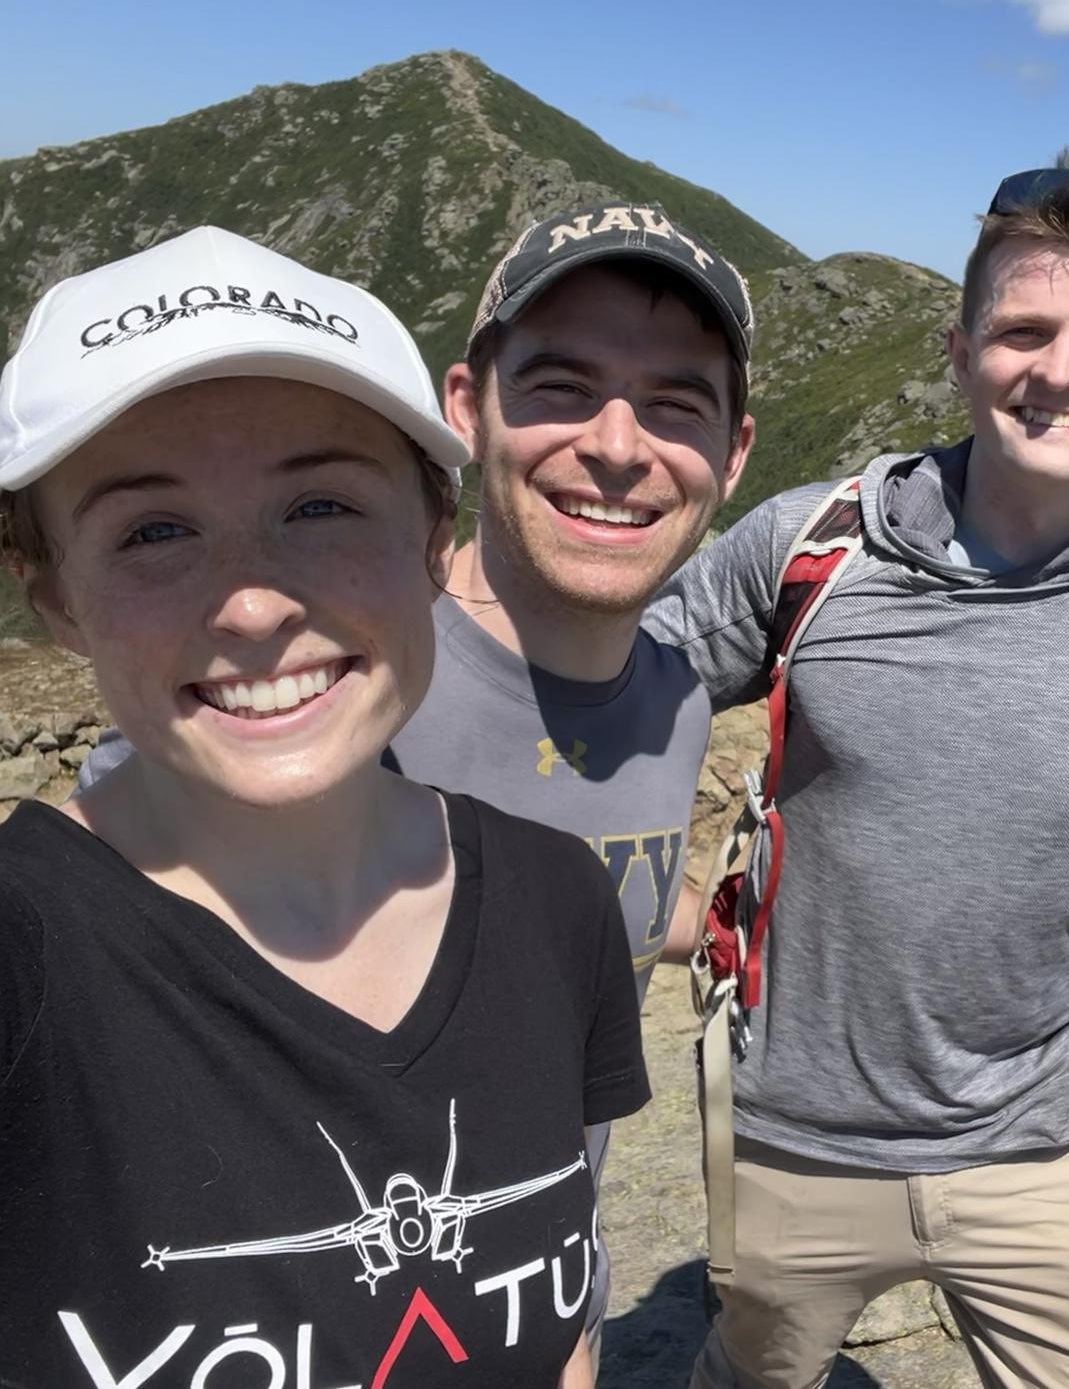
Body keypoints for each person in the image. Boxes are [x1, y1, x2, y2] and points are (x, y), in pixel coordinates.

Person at [76, 201, 758, 1353]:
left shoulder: (678, 701)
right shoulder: (317, 693)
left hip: (533, 1304)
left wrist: (727, 924)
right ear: (463, 410)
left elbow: (605, 892)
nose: (617, 444)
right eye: (558, 385)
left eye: (676, 403)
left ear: (733, 456)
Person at [647, 166, 1069, 1389]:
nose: (1062, 370)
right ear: (959, 349)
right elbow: (607, 699)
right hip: (787, 1142)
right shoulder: (811, 549)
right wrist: (639, 907)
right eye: (1023, 330)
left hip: (1047, 1150)